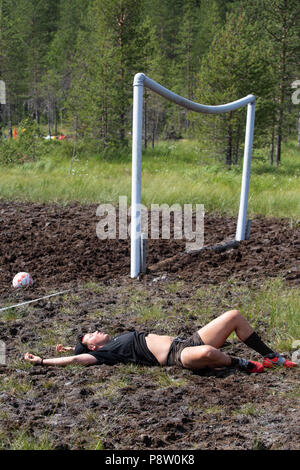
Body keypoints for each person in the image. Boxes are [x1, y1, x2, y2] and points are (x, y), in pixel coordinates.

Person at [24, 309, 297, 373]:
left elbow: (73, 351)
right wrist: (43, 360)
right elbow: (75, 358)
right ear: (94, 347)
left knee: (233, 316)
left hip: (185, 341)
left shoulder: (119, 337)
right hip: (177, 357)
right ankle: (241, 363)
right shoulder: (105, 354)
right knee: (204, 354)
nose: (95, 330)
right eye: (91, 334)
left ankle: (272, 356)